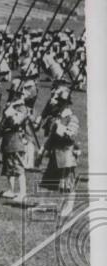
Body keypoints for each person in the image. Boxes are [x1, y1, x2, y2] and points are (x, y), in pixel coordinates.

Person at [39, 90, 80, 219]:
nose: (59, 104)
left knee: (67, 183)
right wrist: (42, 151)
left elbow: (71, 136)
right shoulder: (57, 117)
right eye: (59, 101)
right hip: (55, 153)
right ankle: (43, 204)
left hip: (66, 152)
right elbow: (51, 137)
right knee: (47, 180)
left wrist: (60, 127)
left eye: (62, 102)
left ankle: (68, 209)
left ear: (67, 104)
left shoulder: (72, 118)